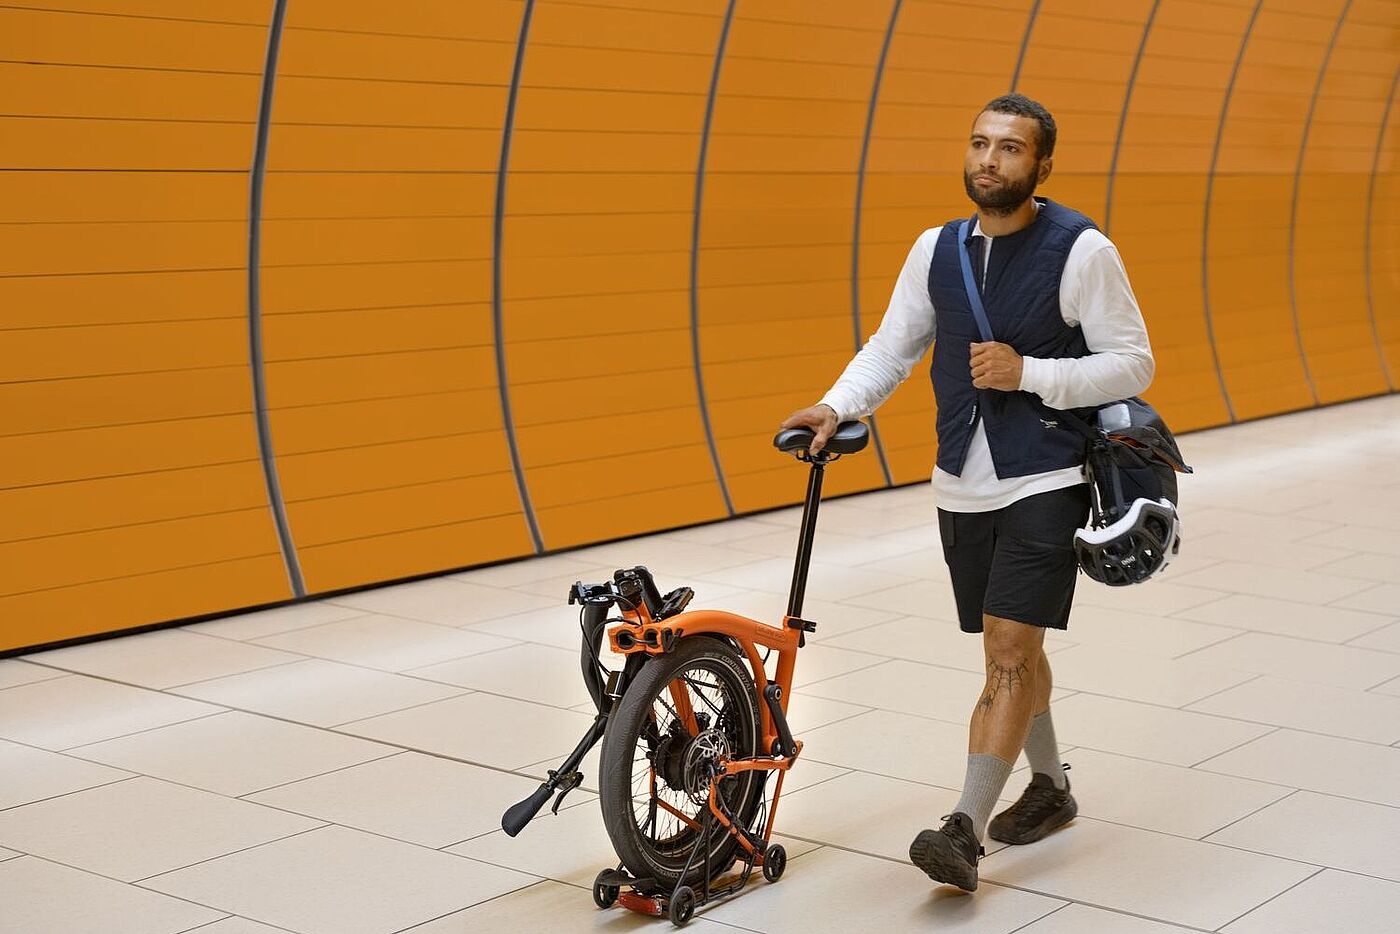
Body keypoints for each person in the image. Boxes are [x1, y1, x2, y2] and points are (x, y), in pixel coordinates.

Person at [780, 93, 1154, 892]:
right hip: (961, 479)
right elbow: (895, 344)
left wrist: (1033, 374)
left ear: (1041, 165)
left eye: (1011, 149)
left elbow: (1132, 362)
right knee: (1008, 647)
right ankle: (1050, 787)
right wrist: (837, 404)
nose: (990, 159)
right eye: (981, 144)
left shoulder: (1082, 250)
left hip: (1048, 472)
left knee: (1009, 650)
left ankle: (962, 828)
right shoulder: (936, 249)